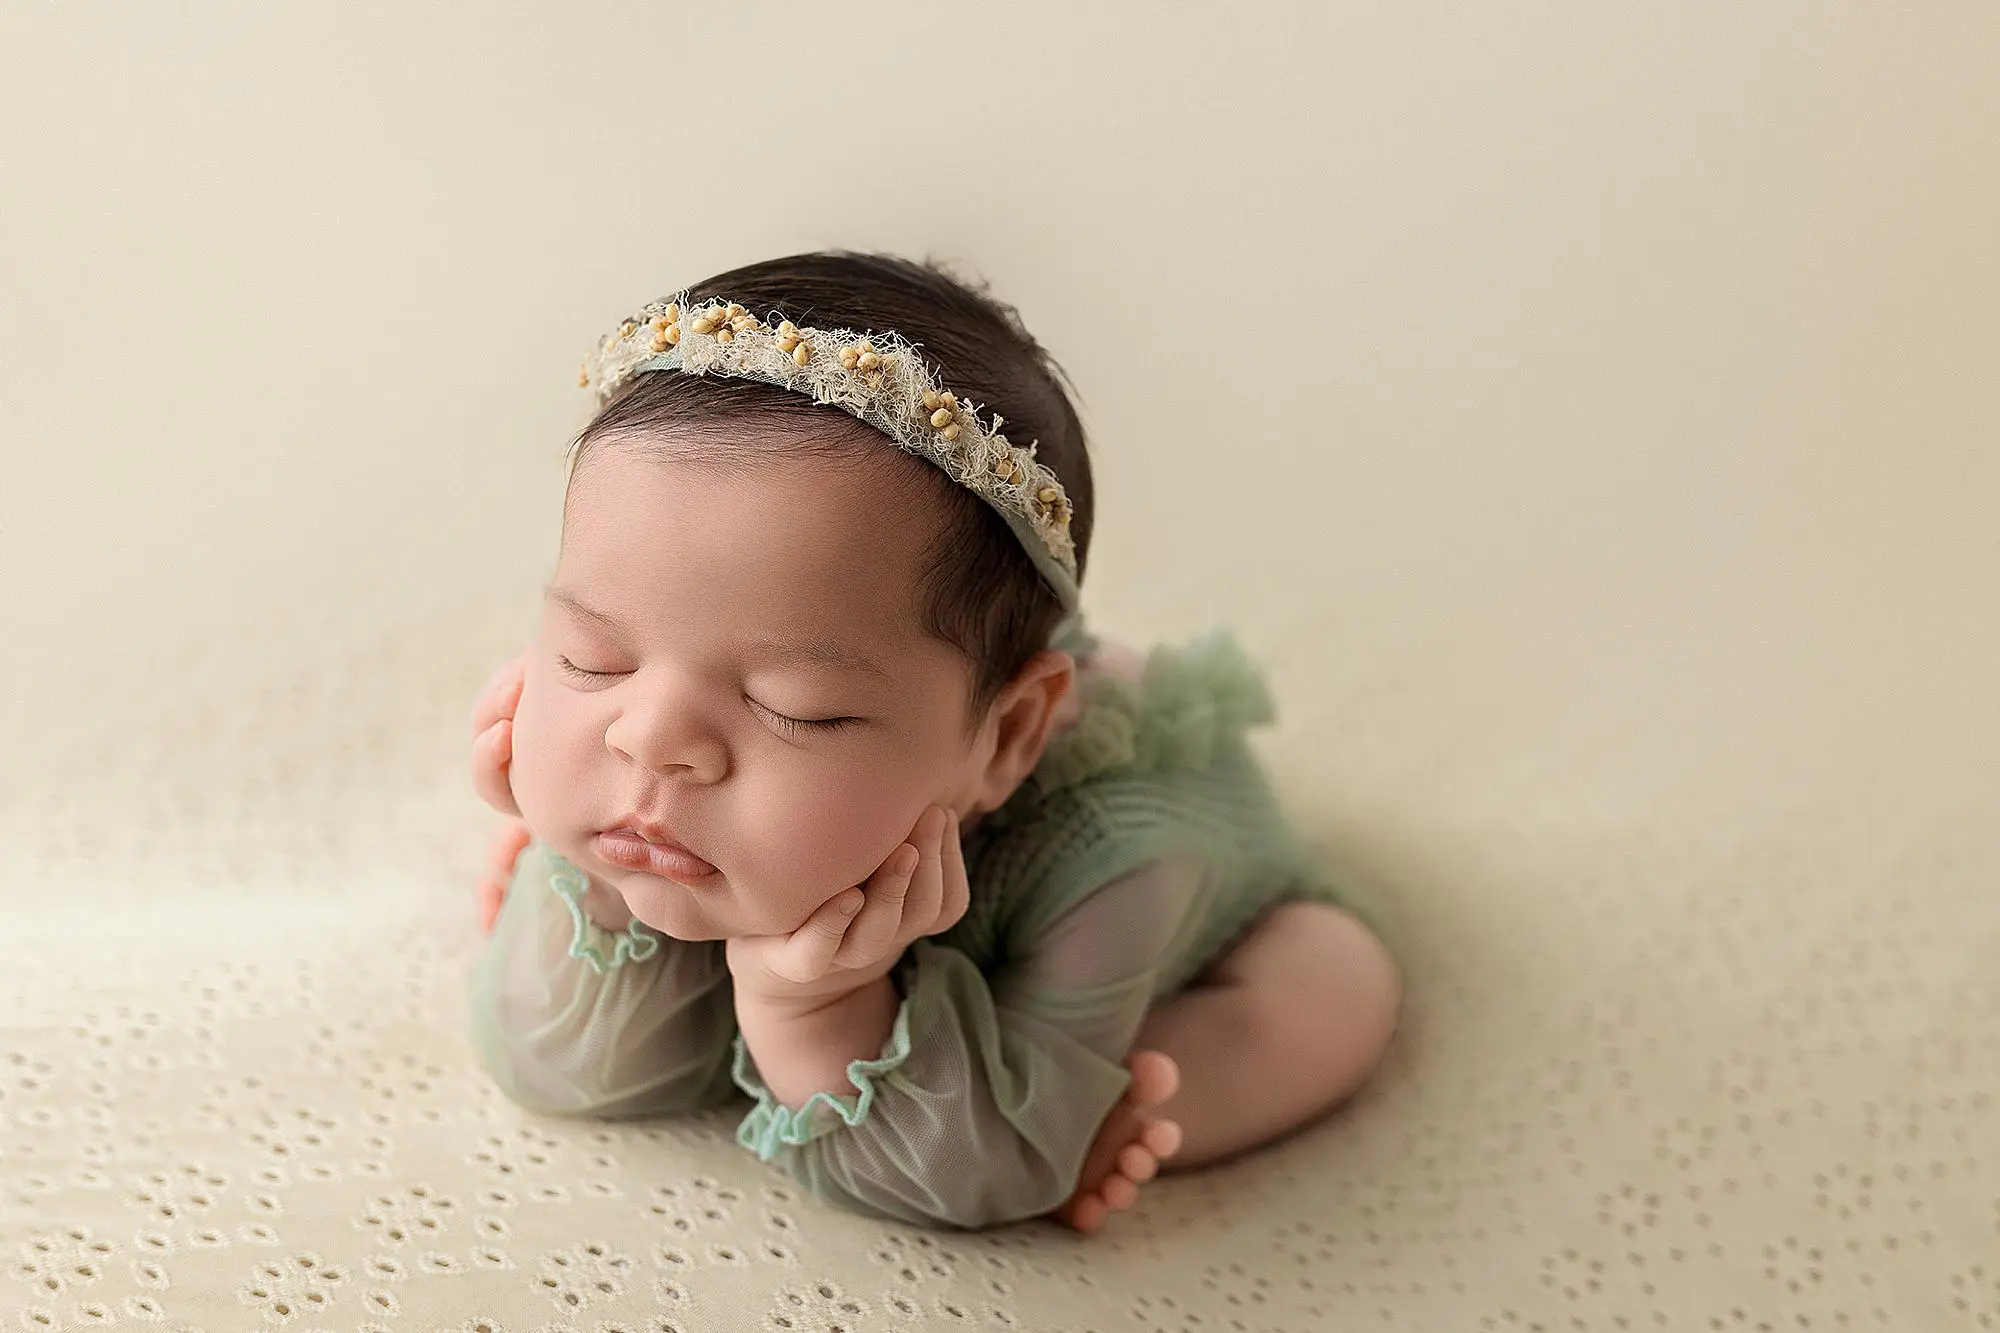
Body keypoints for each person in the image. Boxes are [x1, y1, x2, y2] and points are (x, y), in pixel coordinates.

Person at [464, 251, 1401, 1233]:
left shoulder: (1113, 859)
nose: (649, 738)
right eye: (592, 656)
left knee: (1333, 990)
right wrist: (605, 896)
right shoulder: (703, 792)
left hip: (1208, 922)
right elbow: (560, 1074)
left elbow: (976, 1180)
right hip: (877, 757)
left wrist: (813, 1011)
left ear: (1001, 742)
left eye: (796, 705)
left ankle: (1105, 1094)